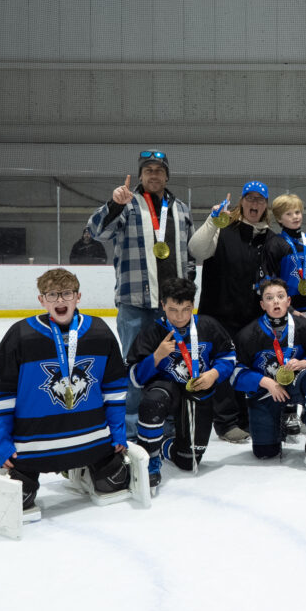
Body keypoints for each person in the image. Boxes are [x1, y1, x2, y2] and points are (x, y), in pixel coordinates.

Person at [0, 268, 133, 516]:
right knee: (18, 500)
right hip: (33, 447)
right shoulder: (21, 335)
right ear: (41, 300)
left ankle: (82, 469)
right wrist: (2, 445)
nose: (60, 300)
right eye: (52, 295)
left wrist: (117, 434)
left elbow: (114, 389)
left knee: (114, 482)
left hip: (93, 442)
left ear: (78, 297)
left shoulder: (99, 331)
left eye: (66, 294)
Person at [86, 149, 196, 436]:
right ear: (140, 175)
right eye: (148, 170)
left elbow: (190, 252)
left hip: (172, 308)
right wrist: (113, 204)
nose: (153, 174)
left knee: (172, 363)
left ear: (167, 175)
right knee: (135, 364)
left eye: (159, 170)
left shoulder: (181, 208)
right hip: (135, 300)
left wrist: (189, 286)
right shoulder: (128, 204)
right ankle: (132, 427)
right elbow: (96, 232)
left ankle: (168, 422)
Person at [128, 278, 236, 490]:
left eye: (186, 309)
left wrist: (214, 373)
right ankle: (150, 459)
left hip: (198, 393)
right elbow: (135, 377)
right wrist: (156, 357)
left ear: (193, 305)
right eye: (173, 309)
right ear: (162, 305)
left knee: (188, 461)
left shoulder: (208, 326)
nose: (179, 317)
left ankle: (165, 444)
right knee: (153, 402)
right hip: (166, 390)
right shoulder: (152, 332)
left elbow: (229, 357)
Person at [188, 181, 274, 444]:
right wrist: (213, 222)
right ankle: (225, 422)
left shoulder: (270, 238)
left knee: (248, 365)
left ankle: (247, 417)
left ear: (265, 205)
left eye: (260, 200)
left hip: (252, 316)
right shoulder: (223, 228)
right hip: (219, 313)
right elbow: (196, 249)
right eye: (250, 199)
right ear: (241, 202)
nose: (255, 204)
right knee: (223, 367)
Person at [231, 279, 306, 474]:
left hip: (296, 383)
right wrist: (266, 382)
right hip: (265, 392)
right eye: (269, 298)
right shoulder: (247, 335)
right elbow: (235, 372)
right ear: (262, 304)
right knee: (265, 452)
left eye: (280, 297)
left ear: (288, 301)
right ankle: (278, 420)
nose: (276, 302)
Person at [264, 193, 306, 329]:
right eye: (288, 214)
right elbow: (270, 281)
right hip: (287, 313)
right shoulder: (274, 245)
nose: (295, 216)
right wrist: (288, 310)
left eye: (297, 212)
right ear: (279, 219)